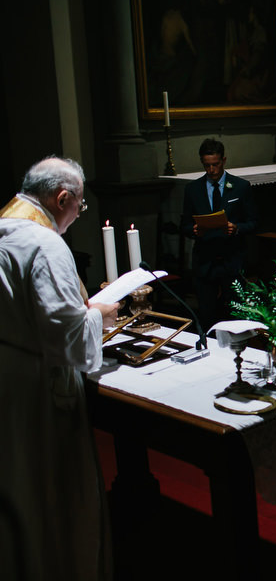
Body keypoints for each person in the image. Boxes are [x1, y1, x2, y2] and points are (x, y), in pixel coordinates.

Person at [0, 157, 120, 580]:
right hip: (37, 387)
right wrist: (99, 314)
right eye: (79, 206)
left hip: (8, 377)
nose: (76, 215)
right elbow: (69, 341)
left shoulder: (4, 228)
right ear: (61, 197)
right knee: (50, 493)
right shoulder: (45, 245)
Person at [181, 138, 259, 330]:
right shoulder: (193, 189)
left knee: (235, 315)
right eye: (207, 165)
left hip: (231, 259)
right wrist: (193, 230)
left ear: (223, 160)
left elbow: (254, 223)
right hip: (205, 260)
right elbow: (184, 225)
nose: (211, 170)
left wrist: (237, 228)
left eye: (215, 165)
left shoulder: (240, 187)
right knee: (207, 316)